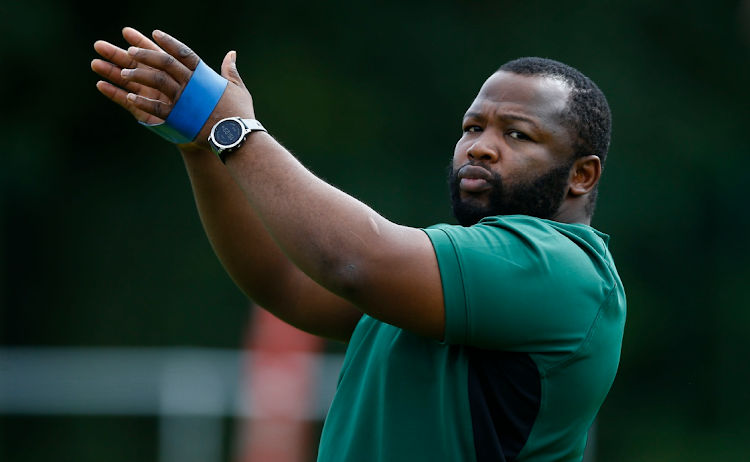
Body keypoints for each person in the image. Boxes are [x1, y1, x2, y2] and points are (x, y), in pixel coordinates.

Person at [92, 27, 626, 462]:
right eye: (472, 127)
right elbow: (285, 281)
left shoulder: (564, 270)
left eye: (516, 134)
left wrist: (235, 129)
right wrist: (203, 146)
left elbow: (353, 261)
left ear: (581, 175)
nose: (480, 147)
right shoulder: (455, 273)